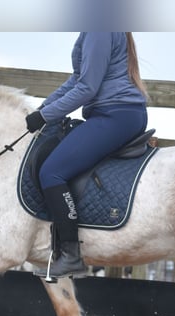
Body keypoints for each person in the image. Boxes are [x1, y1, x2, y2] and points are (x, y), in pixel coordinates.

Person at [25, 32, 149, 279]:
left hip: (115, 114)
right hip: (114, 112)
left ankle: (70, 256)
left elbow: (87, 88)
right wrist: (43, 109)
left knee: (52, 172)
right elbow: (76, 79)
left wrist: (46, 115)